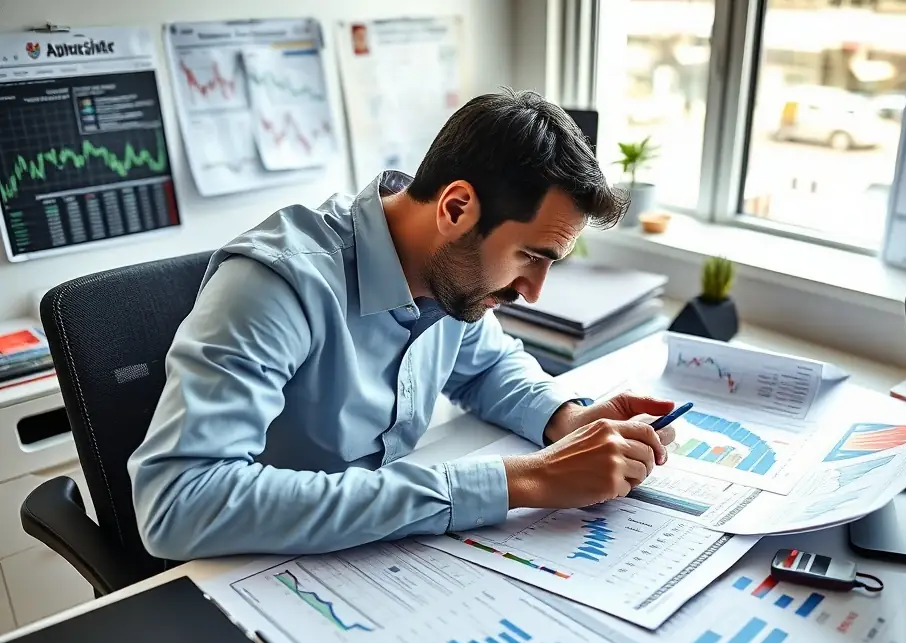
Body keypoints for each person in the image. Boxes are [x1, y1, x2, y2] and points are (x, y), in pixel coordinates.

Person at [128, 89, 677, 560]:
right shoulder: (275, 286)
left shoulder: (448, 275)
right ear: (457, 208)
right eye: (530, 256)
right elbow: (179, 503)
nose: (532, 292)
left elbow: (486, 366)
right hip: (252, 573)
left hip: (382, 557)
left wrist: (566, 419)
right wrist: (523, 480)